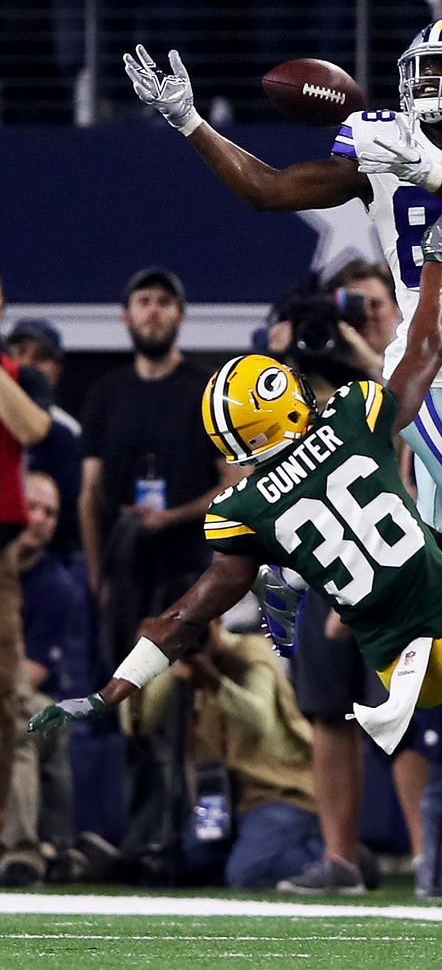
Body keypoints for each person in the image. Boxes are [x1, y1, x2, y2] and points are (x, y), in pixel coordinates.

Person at [31, 215, 442, 938]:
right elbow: (423, 351)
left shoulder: (240, 508)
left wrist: (107, 693)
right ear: (288, 398)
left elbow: (185, 614)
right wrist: (437, 266)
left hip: (394, 669)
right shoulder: (352, 416)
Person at [123, 17, 442, 774]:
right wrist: (190, 122)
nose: (428, 84)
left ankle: (289, 570)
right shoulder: (378, 142)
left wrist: (425, 172)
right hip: (435, 373)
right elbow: (269, 190)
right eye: (421, 69)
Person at [266, 258, 424, 895]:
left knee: (412, 714)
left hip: (394, 568)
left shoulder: (413, 370)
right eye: (345, 310)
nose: (356, 322)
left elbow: (412, 432)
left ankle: (426, 857)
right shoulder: (302, 392)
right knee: (328, 713)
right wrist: (283, 363)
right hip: (319, 569)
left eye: (371, 308)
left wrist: (364, 355)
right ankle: (340, 860)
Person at [77, 265, 238, 883]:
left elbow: (232, 484)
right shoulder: (105, 395)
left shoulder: (204, 391)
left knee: (188, 709)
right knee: (130, 711)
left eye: (163, 302)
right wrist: (100, 576)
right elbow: (90, 496)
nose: (152, 311)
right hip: (126, 578)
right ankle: (143, 840)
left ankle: (191, 843)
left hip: (189, 579)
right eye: (142, 301)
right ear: (126, 315)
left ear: (179, 315)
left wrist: (168, 517)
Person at [135, 612, 324, 890]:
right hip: (221, 798)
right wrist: (155, 663)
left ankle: (328, 852)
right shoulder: (178, 664)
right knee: (190, 865)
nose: (192, 641)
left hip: (278, 791)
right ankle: (258, 847)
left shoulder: (251, 652)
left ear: (218, 623)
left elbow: (260, 719)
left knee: (247, 874)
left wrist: (213, 681)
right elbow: (141, 724)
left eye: (196, 630)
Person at [0, 471, 117, 886]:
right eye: (31, 506)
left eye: (50, 512)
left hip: (27, 692)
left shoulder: (57, 588)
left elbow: (31, 673)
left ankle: (21, 852)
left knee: (21, 721)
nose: (40, 518)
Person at [0, 278, 52, 860]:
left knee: (9, 698)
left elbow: (32, 428)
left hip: (1, 554)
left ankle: (16, 845)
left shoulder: (21, 375)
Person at [7, 317, 83, 565]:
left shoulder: (67, 433)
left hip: (51, 558)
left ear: (56, 370)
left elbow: (74, 513)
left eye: (38, 358)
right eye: (17, 353)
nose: (26, 364)